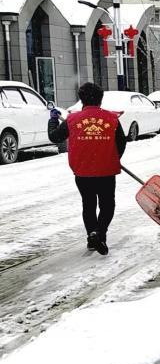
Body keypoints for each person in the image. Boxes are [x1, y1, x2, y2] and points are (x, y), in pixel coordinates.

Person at [48, 82, 127, 255]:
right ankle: (100, 234)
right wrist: (113, 158)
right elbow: (121, 142)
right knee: (107, 204)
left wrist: (53, 120)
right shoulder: (112, 118)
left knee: (89, 204)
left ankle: (92, 236)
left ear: (81, 99)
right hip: (106, 171)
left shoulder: (72, 120)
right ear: (100, 99)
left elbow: (54, 137)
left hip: (83, 172)